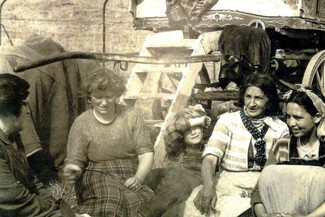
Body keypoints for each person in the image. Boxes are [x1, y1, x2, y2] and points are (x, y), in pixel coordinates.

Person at [185, 73, 290, 217]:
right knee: (197, 208)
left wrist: (258, 194)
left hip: (262, 187)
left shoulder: (280, 128)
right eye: (248, 97)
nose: (252, 103)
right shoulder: (227, 121)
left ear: (268, 99)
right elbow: (210, 158)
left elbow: (272, 170)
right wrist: (208, 187)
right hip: (227, 184)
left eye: (258, 98)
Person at [62, 68, 155, 217]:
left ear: (117, 95)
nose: (104, 102)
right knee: (111, 201)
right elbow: (75, 161)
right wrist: (73, 170)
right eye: (98, 97)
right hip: (96, 174)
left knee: (139, 202)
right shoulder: (81, 123)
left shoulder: (131, 115)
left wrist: (139, 177)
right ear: (90, 97)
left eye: (109, 97)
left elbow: (146, 153)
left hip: (128, 173)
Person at [0, 73, 89, 217]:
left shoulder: (14, 137)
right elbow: (15, 200)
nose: (28, 111)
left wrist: (58, 208)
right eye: (24, 105)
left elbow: (32, 182)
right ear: (11, 111)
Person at [251, 89, 325, 217]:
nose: (291, 123)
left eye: (298, 117)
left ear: (317, 117)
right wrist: (264, 215)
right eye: (288, 116)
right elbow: (259, 189)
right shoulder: (283, 146)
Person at [137, 104, 211, 217]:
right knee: (150, 175)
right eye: (188, 129)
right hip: (171, 175)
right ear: (181, 133)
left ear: (202, 128)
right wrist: (197, 121)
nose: (193, 132)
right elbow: (170, 130)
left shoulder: (207, 149)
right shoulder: (176, 145)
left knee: (176, 187)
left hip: (190, 181)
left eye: (197, 128)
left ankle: (145, 214)